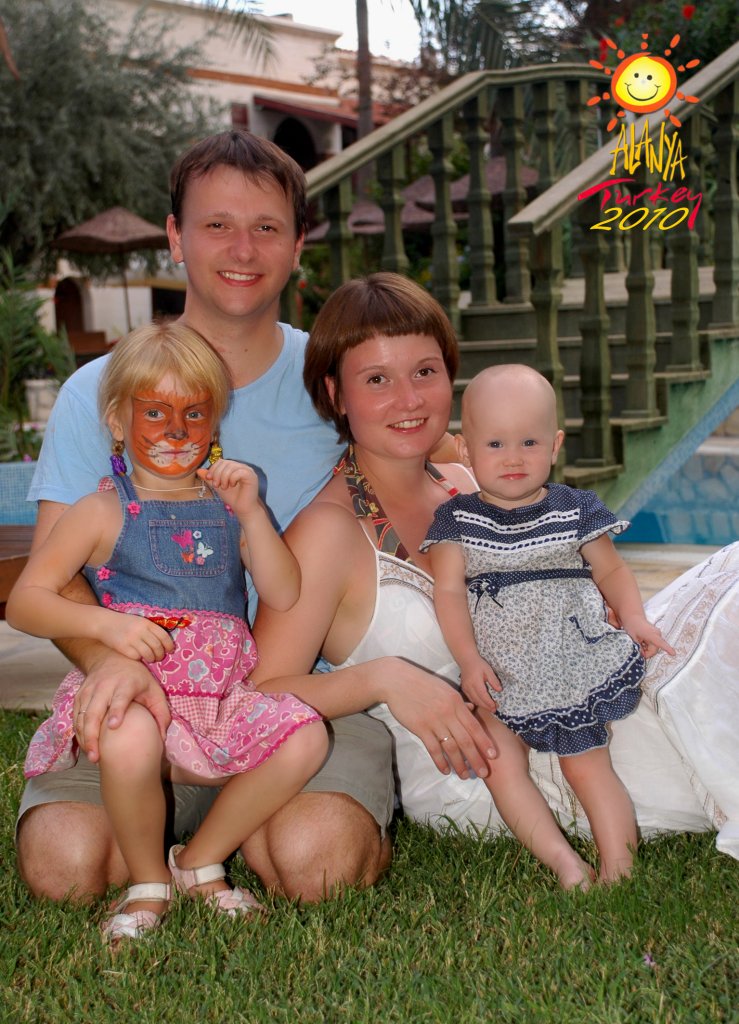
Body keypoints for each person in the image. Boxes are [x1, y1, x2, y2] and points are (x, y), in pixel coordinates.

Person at [19, 130, 461, 904]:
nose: (243, 249)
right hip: (145, 696)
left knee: (317, 865)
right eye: (217, 224)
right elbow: (56, 579)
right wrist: (108, 660)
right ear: (175, 237)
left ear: (297, 245)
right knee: (65, 867)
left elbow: (432, 438)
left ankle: (238, 832)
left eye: (266, 227)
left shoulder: (331, 373)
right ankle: (184, 836)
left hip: (297, 699)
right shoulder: (105, 390)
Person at [249, 272, 739, 868]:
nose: (409, 399)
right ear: (335, 394)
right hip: (482, 767)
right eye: (377, 379)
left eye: (425, 372)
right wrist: (383, 680)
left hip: (570, 691)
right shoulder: (328, 532)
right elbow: (259, 694)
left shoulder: (464, 484)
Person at [9, 323, 328, 942]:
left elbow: (285, 592)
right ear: (117, 420)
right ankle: (148, 884)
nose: (177, 431)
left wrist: (253, 514)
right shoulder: (102, 511)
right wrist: (103, 625)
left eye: (194, 413)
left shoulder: (229, 506)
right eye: (155, 412)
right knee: (128, 736)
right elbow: (26, 602)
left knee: (306, 737)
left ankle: (200, 861)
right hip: (135, 700)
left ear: (215, 421)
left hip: (219, 702)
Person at [421, 365, 675, 888]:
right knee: (497, 761)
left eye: (529, 442)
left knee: (587, 765)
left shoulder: (574, 509)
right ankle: (564, 863)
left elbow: (611, 570)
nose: (513, 457)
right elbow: (448, 594)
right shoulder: (457, 521)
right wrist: (469, 660)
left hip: (569, 663)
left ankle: (619, 868)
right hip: (501, 673)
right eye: (495, 443)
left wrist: (633, 617)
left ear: (555, 445)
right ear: (465, 450)